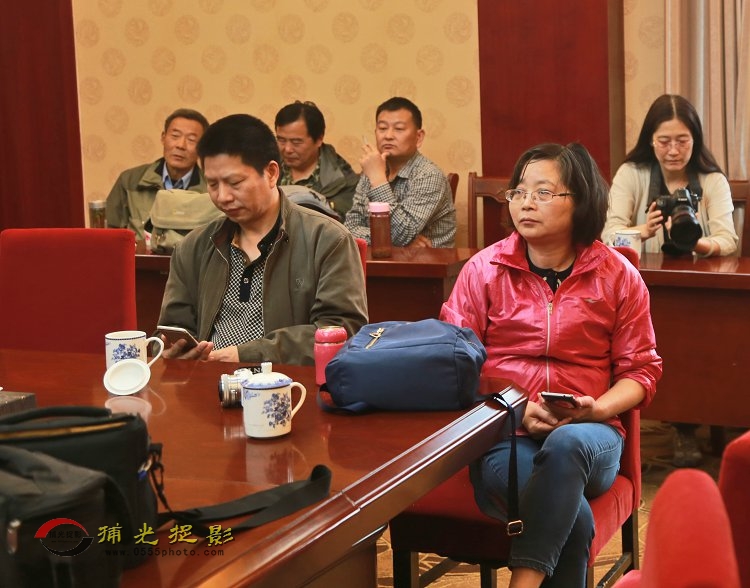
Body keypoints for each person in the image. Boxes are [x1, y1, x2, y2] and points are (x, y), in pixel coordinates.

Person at [441, 143, 662, 588]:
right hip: (505, 433)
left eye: (543, 192)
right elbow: (453, 365)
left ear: (580, 200)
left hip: (591, 436)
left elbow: (641, 371)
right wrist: (516, 409)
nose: (526, 202)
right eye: (519, 192)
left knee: (567, 443)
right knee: (574, 522)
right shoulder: (483, 271)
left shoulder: (618, 276)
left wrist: (596, 410)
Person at [157, 113, 368, 364]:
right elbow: (174, 329)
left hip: (288, 383)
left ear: (271, 173)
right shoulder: (193, 247)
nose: (222, 197)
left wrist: (246, 355)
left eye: (235, 183)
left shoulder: (327, 239)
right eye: (212, 184)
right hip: (207, 379)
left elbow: (341, 331)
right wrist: (170, 351)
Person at [602, 94, 738, 467]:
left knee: (699, 340)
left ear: (696, 140)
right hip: (641, 287)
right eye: (664, 141)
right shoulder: (632, 174)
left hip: (700, 291)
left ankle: (689, 422)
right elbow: (608, 235)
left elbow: (728, 240)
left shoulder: (712, 180)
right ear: (651, 139)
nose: (673, 150)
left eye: (682, 140)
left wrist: (698, 242)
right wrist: (642, 230)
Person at [344, 97, 456, 248]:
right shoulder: (372, 170)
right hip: (379, 259)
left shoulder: (429, 175)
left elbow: (401, 235)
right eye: (382, 128)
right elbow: (350, 228)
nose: (388, 136)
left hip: (429, 261)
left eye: (399, 129)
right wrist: (393, 241)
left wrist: (378, 180)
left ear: (418, 137)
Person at [106, 108, 210, 241]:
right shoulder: (130, 180)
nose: (180, 145)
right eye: (175, 136)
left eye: (191, 140)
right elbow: (110, 235)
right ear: (163, 138)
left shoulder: (210, 190)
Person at [274, 100, 360, 219]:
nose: (287, 149)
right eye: (281, 140)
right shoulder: (266, 170)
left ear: (319, 139)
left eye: (296, 142)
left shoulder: (343, 181)